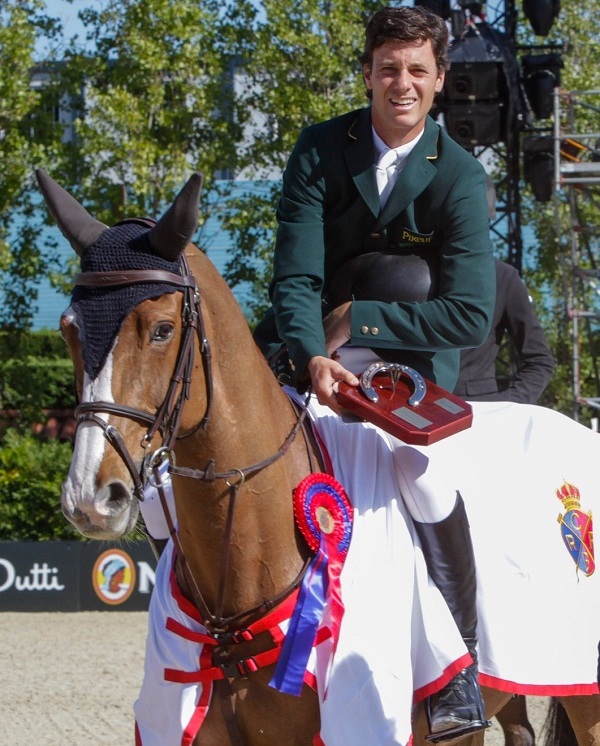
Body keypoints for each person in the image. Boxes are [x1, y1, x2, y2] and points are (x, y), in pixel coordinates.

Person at [254, 5, 496, 742]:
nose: (402, 83)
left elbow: (469, 317)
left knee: (424, 472)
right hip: (311, 350)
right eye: (388, 67)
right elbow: (294, 278)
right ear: (367, 72)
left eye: (417, 70)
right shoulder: (319, 149)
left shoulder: (457, 175)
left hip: (416, 366)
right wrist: (312, 354)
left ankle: (457, 668)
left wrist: (357, 322)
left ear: (440, 80)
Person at [455, 258, 555, 404]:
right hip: (415, 406)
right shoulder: (413, 268)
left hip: (478, 410)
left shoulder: (502, 276)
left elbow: (540, 361)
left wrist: (507, 405)